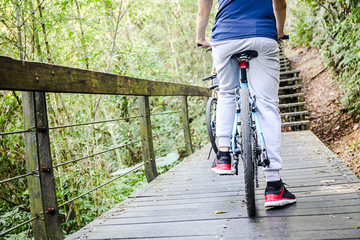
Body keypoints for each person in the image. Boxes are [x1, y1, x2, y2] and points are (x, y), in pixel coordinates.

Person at [196, 0, 296, 207]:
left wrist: (201, 38)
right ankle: (274, 186)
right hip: (262, 35)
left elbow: (202, 10)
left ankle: (223, 155)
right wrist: (279, 32)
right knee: (266, 103)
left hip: (225, 38)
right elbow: (281, 5)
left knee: (226, 93)